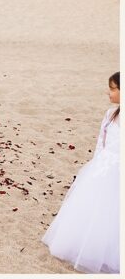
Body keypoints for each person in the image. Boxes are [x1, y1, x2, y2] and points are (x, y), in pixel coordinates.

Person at [42, 72, 120, 273]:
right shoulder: (110, 114)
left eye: (113, 89)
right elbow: (100, 143)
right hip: (103, 167)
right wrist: (96, 164)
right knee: (95, 209)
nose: (108, 92)